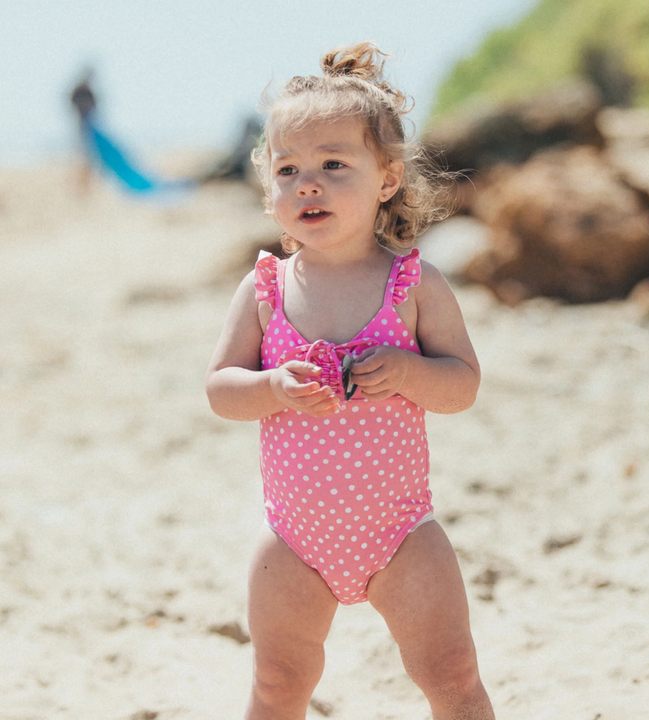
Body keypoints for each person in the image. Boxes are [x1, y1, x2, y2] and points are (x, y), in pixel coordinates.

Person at [206, 42, 495, 720]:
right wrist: (272, 387)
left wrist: (409, 373)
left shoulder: (412, 284)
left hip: (402, 533)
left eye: (334, 165)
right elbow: (221, 388)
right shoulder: (266, 288)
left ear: (387, 179)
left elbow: (463, 384)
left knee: (452, 675)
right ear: (269, 187)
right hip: (295, 538)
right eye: (288, 169)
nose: (308, 183)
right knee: (278, 684)